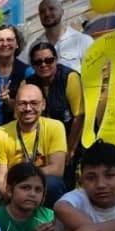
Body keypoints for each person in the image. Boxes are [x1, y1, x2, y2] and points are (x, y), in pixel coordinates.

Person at [0, 82, 68, 203]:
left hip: (42, 187)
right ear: (15, 105)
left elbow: (57, 170)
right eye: (22, 103)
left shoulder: (55, 127)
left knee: (53, 183)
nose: (28, 108)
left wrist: (25, 176)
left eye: (34, 103)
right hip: (15, 189)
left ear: (43, 105)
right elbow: (1, 179)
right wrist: (10, 198)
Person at [28, 40, 85, 168]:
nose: (44, 65)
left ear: (56, 60)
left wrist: (70, 149)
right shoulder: (28, 83)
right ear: (32, 65)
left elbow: (79, 116)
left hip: (70, 143)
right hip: (40, 148)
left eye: (49, 60)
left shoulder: (70, 77)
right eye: (38, 62)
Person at [32, 0, 92, 71]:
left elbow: (93, 72)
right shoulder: (35, 46)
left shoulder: (83, 40)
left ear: (62, 11)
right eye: (42, 11)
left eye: (51, 9)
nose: (47, 13)